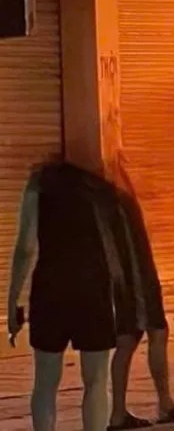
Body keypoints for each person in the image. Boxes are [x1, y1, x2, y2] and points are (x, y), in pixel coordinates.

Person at [7, 161, 122, 431]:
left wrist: (13, 299)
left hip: (51, 287)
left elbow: (25, 247)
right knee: (96, 380)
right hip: (94, 287)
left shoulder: (40, 183)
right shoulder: (100, 184)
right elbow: (116, 245)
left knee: (45, 382)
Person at [104, 159, 174, 429]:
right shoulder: (109, 199)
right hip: (135, 279)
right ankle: (160, 404)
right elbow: (111, 243)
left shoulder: (116, 195)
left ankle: (124, 412)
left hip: (138, 276)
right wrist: (121, 278)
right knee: (146, 334)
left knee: (137, 337)